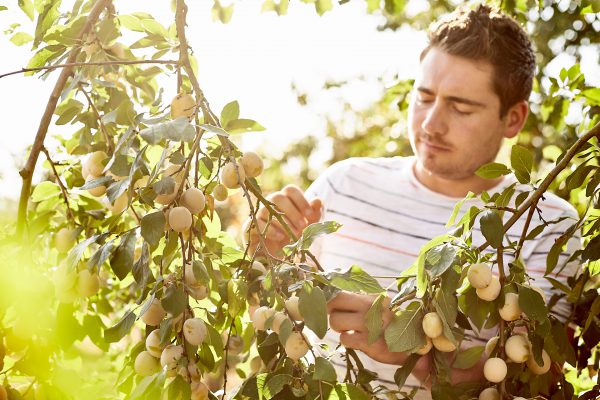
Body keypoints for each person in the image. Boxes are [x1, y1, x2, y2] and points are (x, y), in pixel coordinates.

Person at [245, 4, 579, 398]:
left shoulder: (548, 225)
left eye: (460, 107)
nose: (430, 124)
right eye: (424, 98)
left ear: (513, 119)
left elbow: (529, 381)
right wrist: (264, 258)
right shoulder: (344, 184)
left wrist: (413, 349)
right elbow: (277, 325)